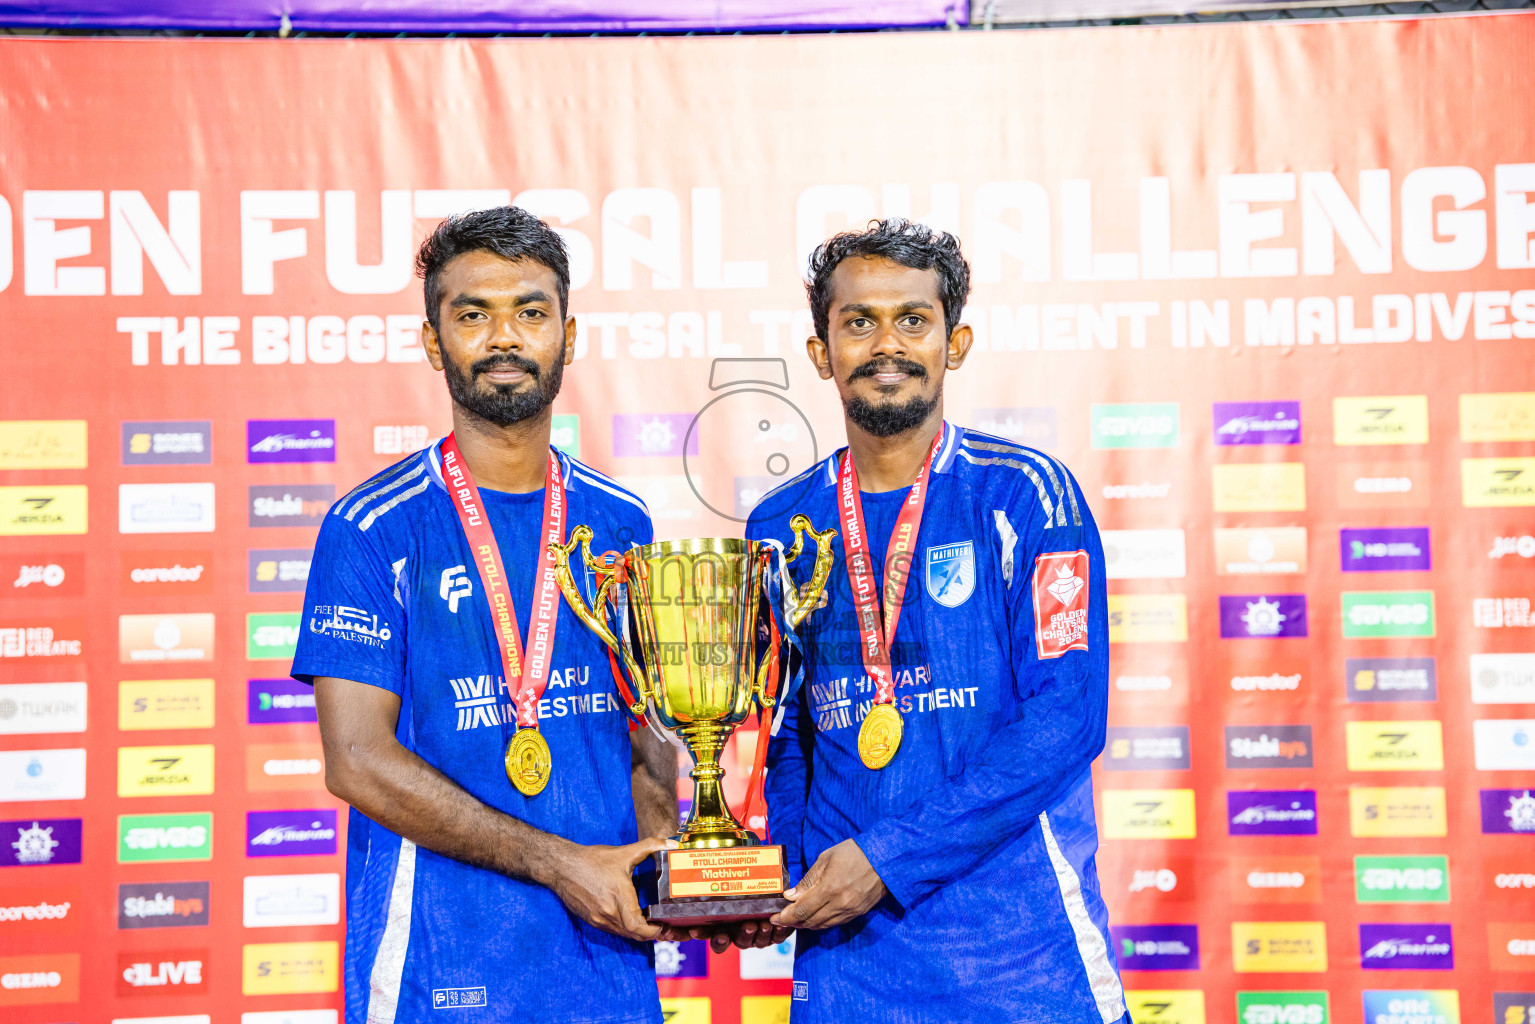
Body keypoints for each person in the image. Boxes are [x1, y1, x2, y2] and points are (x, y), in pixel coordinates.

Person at [292, 206, 681, 1024]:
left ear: (567, 337)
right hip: (442, 969)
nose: (504, 337)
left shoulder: (621, 523)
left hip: (605, 966)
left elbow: (644, 738)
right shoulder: (371, 529)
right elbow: (356, 760)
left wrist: (678, 865)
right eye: (473, 314)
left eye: (530, 312)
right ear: (435, 342)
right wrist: (559, 863)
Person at [745, 219, 1128, 1023]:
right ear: (821, 352)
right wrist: (775, 874)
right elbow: (788, 734)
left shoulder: (1025, 495)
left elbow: (1066, 717)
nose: (886, 344)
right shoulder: (780, 526)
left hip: (1020, 968)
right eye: (858, 323)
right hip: (847, 973)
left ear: (954, 343)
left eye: (912, 320)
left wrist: (883, 859)